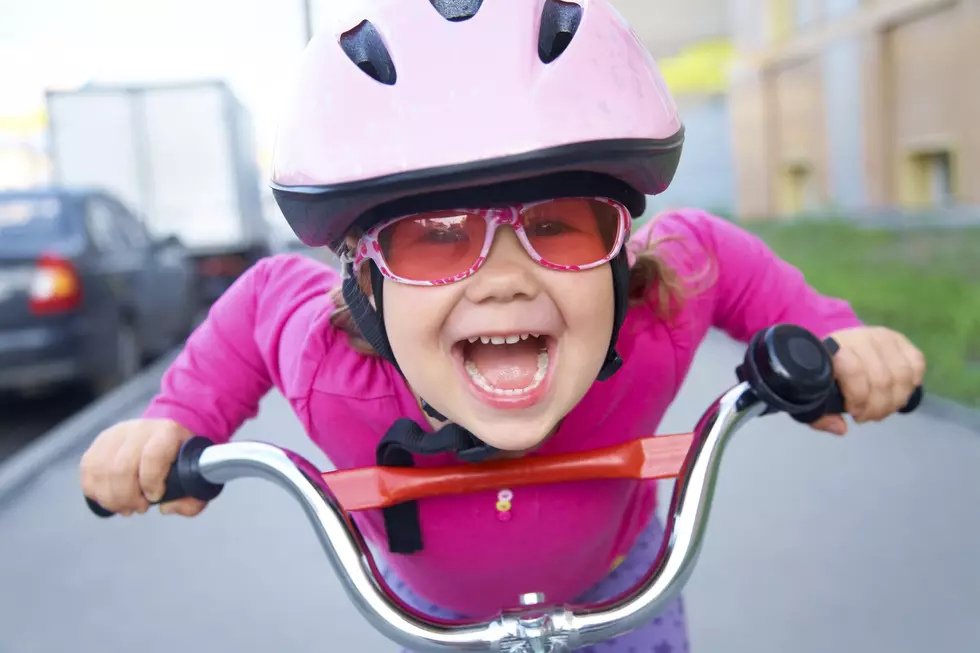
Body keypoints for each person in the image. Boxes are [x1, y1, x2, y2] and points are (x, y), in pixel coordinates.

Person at [78, 1, 926, 651]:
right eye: (436, 239)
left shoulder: (653, 321)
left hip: (624, 590)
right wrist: (173, 424)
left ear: (621, 259)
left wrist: (833, 334)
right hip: (434, 619)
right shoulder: (332, 364)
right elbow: (261, 300)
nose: (506, 278)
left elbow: (713, 251)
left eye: (559, 221)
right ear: (366, 286)